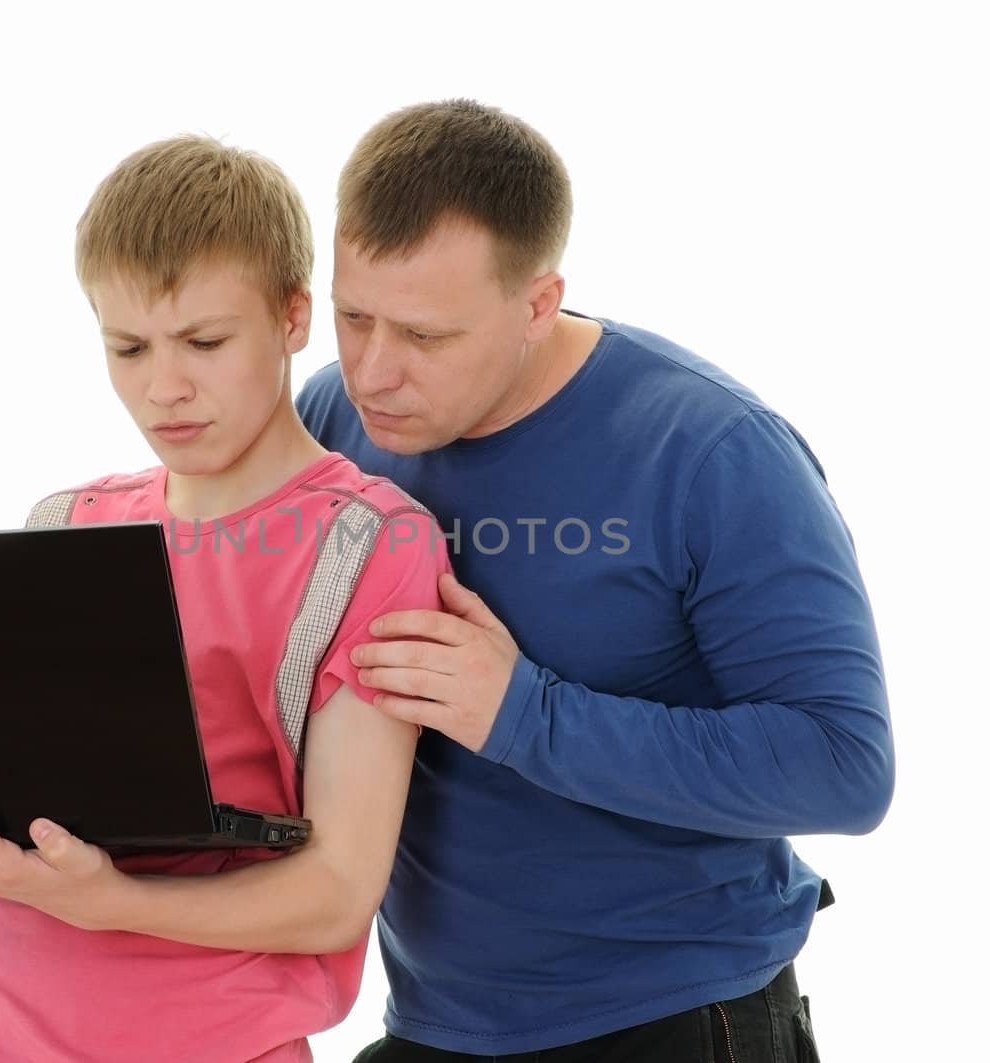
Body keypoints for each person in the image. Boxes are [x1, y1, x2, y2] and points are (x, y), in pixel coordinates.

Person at [295, 99, 896, 1062]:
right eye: (352, 315)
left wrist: (522, 711)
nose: (374, 373)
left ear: (538, 303)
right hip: (433, 1019)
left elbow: (844, 765)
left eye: (424, 336)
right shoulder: (330, 418)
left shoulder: (714, 453)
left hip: (678, 1016)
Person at [0, 135, 449, 1063]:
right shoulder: (68, 525)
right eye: (127, 346)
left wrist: (109, 900)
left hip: (212, 1039)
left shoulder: (369, 541)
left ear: (294, 317)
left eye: (205, 343)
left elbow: (340, 887)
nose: (163, 387)